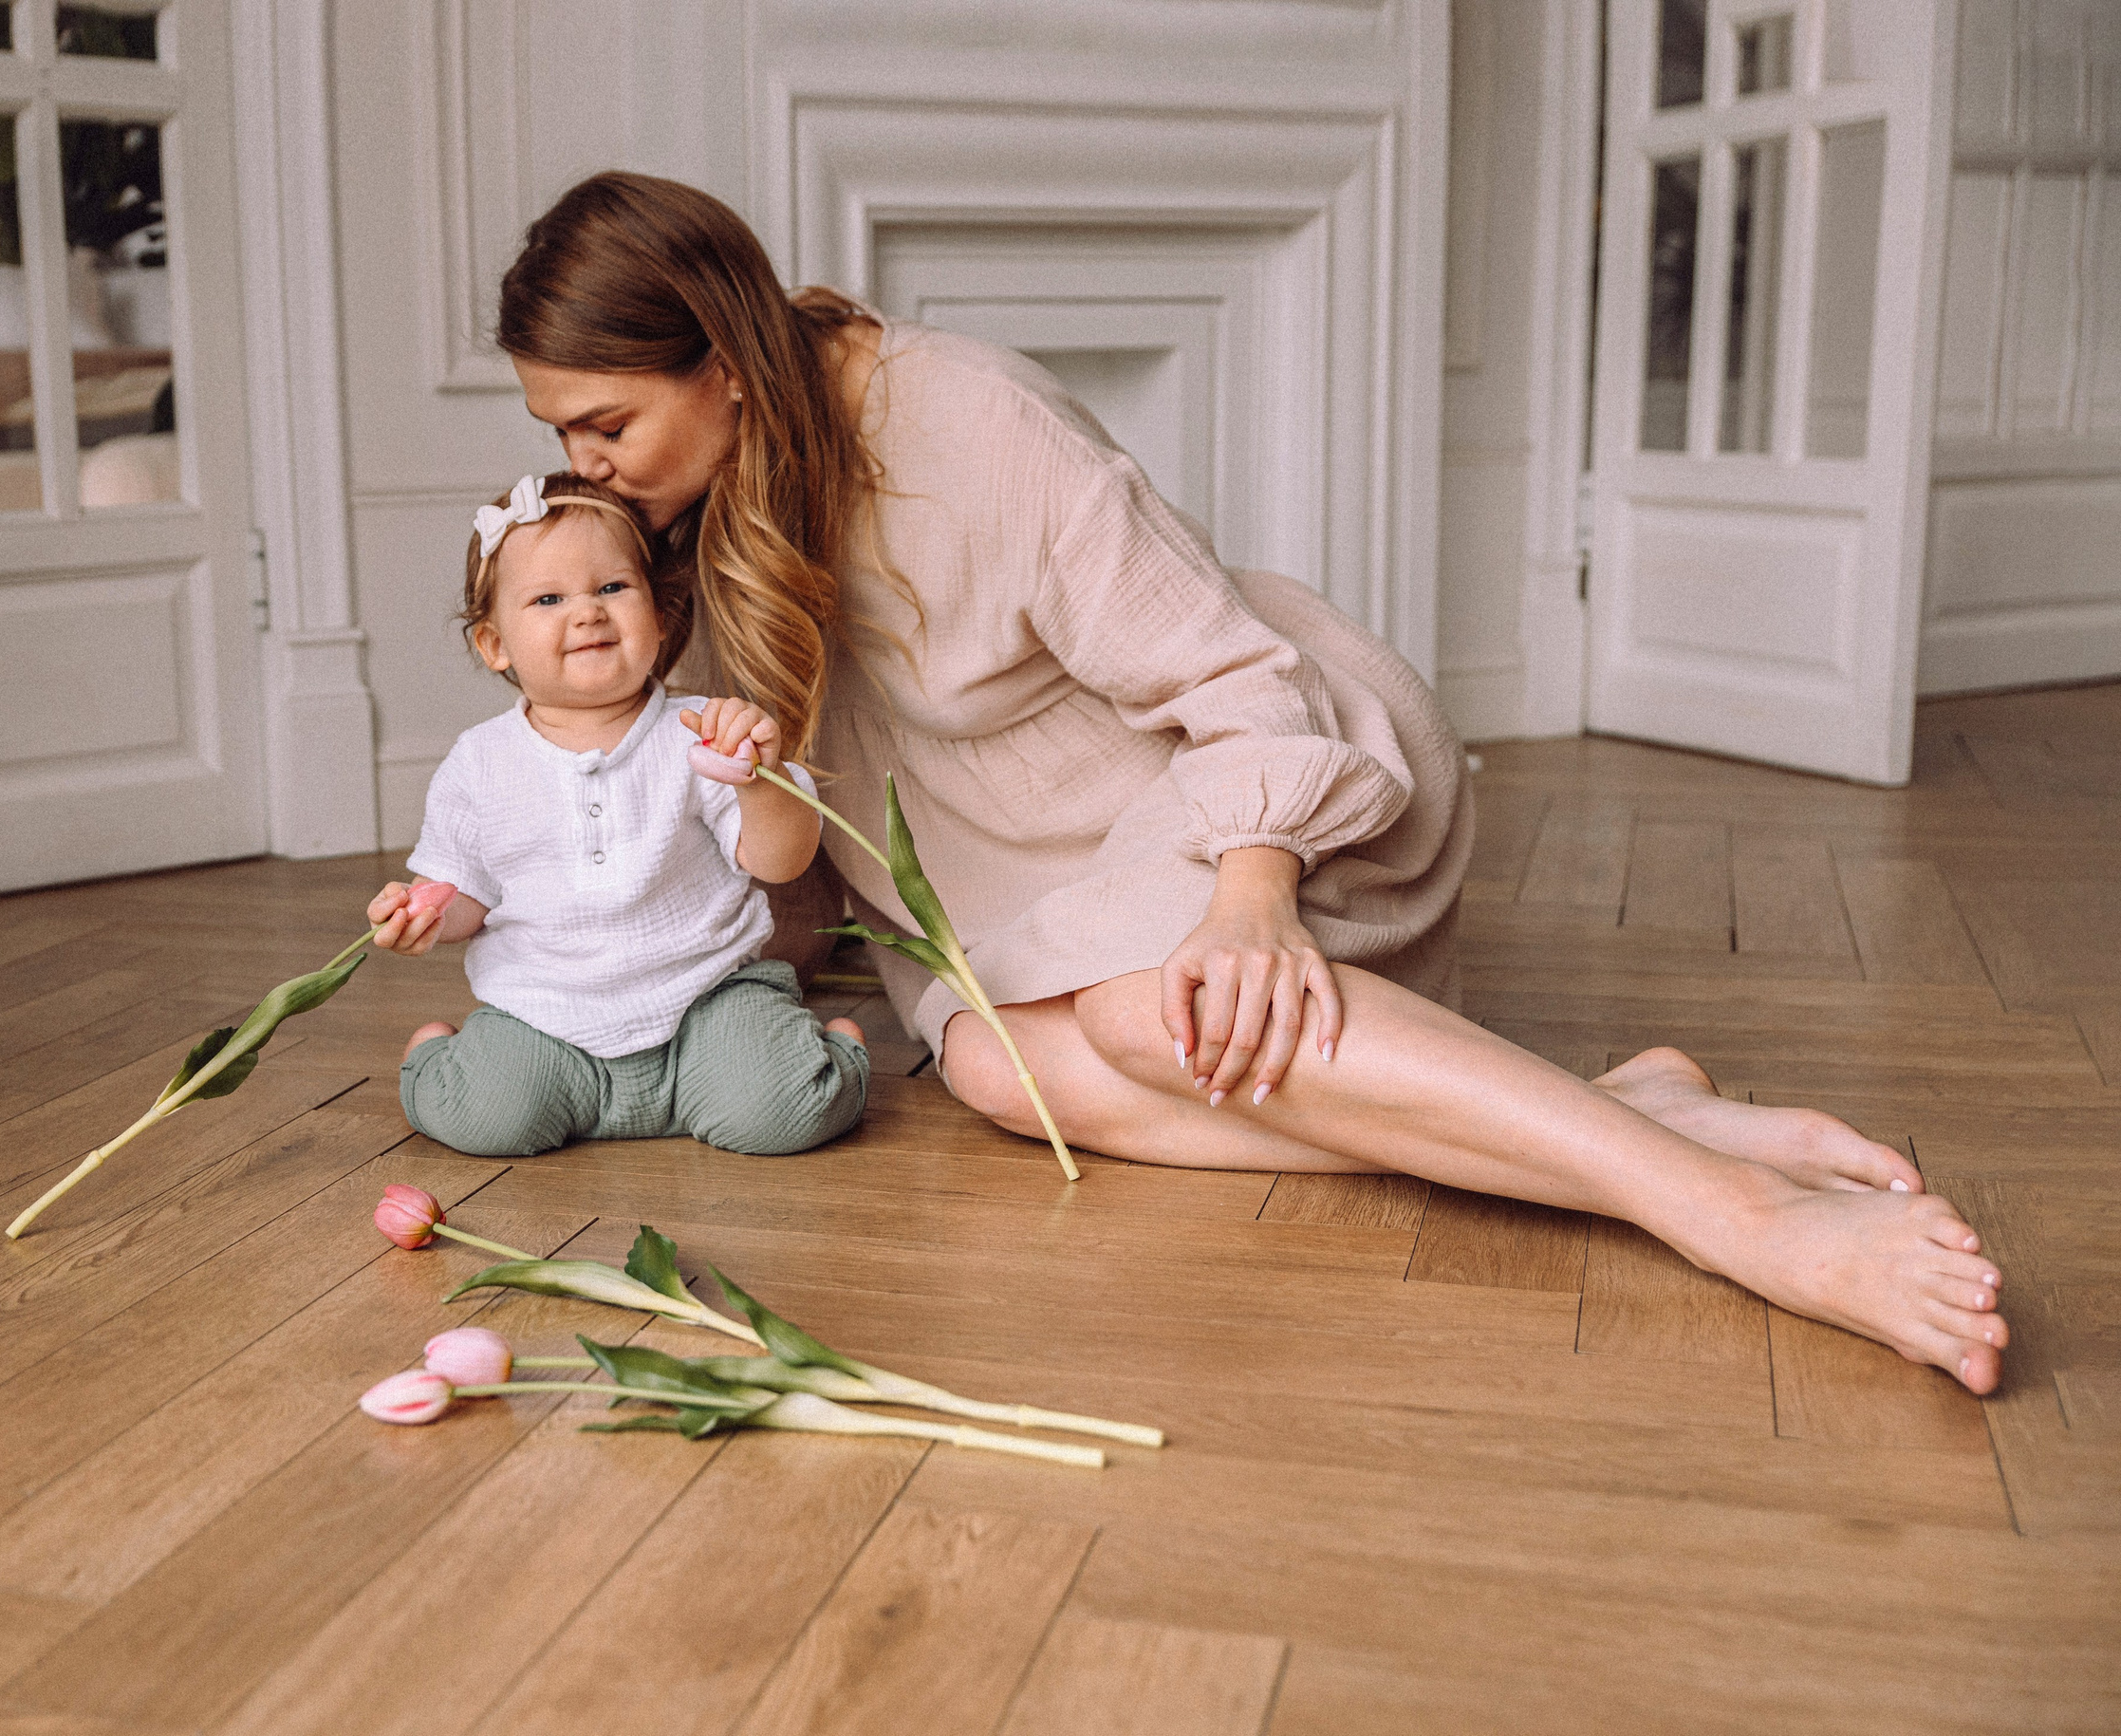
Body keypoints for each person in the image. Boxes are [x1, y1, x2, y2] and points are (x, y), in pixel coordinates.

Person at [491, 171, 2008, 1394]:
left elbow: (1236, 680)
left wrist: (1252, 893)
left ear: (729, 361)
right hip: (1017, 893)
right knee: (1003, 1073)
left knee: (1160, 1009)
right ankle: (1630, 1118)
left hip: (1242, 779)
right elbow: (807, 871)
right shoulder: (690, 542)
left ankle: (1719, 1210)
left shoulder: (965, 420)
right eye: (562, 432)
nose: (586, 465)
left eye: (605, 422)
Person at [365, 471, 871, 1158]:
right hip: (547, 1021)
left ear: (660, 615)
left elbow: (784, 861)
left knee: (779, 1109)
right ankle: (434, 1055)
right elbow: (467, 900)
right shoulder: (478, 763)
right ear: (495, 646)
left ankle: (837, 1049)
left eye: (612, 588)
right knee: (487, 1117)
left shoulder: (698, 733)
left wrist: (760, 779)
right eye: (548, 598)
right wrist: (423, 916)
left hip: (705, 1001)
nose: (588, 613)